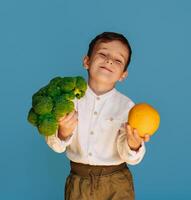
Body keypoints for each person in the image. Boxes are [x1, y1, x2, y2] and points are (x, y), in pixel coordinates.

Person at [45, 32, 150, 200]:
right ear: (87, 61)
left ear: (123, 75)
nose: (109, 61)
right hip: (79, 183)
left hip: (117, 183)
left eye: (118, 60)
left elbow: (131, 158)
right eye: (103, 54)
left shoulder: (128, 108)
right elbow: (57, 146)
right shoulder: (68, 100)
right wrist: (63, 132)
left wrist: (133, 144)